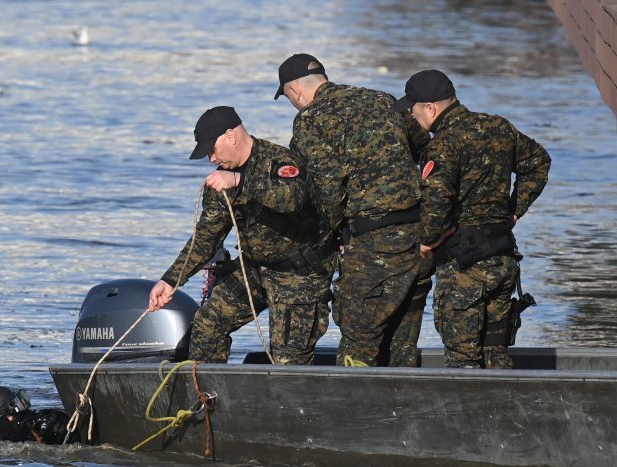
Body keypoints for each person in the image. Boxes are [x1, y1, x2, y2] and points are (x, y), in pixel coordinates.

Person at [274, 53, 431, 367]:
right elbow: (426, 151)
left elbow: (327, 190)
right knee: (401, 350)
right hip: (421, 240)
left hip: (373, 248)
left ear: (295, 91)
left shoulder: (310, 119)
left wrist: (322, 239)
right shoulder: (383, 100)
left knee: (357, 350)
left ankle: (353, 414)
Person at [148, 106, 336, 364]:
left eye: (212, 150)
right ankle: (207, 399)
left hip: (299, 273)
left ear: (230, 136)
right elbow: (206, 237)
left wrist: (240, 181)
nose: (211, 159)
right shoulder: (220, 181)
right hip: (255, 269)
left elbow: (292, 199)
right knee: (208, 324)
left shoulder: (280, 162)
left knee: (287, 359)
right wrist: (170, 280)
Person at [393, 69, 551, 368]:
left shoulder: (442, 145)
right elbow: (538, 162)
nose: (414, 119)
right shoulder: (497, 127)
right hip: (503, 258)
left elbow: (437, 202)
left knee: (462, 360)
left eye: (413, 111)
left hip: (465, 265)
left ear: (431, 108)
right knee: (496, 354)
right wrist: (514, 209)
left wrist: (427, 241)